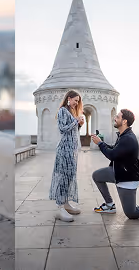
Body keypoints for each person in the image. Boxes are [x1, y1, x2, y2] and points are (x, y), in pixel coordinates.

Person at [91, 109, 139, 218]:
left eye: (117, 117)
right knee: (97, 175)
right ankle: (110, 205)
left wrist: (100, 144)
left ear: (124, 121)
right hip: (117, 171)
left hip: (127, 177)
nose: (115, 118)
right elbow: (114, 151)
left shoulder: (128, 138)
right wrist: (102, 142)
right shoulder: (123, 135)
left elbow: (112, 155)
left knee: (131, 213)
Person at [49, 90, 85, 222]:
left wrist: (79, 125)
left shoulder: (71, 112)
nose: (76, 103)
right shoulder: (63, 111)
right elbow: (62, 129)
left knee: (70, 177)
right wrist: (76, 121)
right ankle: (60, 208)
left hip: (72, 150)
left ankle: (66, 204)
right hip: (64, 150)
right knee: (62, 177)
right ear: (69, 98)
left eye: (78, 101)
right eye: (75, 100)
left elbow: (72, 131)